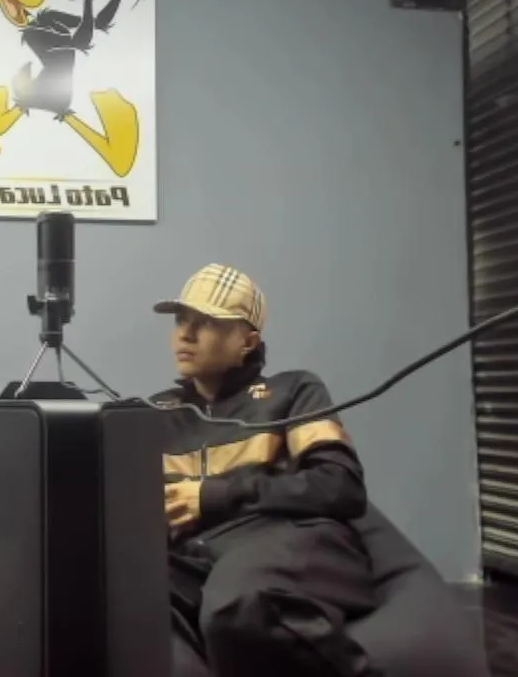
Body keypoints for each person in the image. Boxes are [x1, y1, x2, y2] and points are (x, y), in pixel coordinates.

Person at [149, 263, 380, 677]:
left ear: (248, 341)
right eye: (181, 320)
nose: (185, 334)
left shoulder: (294, 390)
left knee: (237, 604)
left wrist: (214, 495)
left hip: (286, 537)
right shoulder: (157, 413)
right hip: (196, 556)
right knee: (126, 599)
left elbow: (340, 486)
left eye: (206, 322)